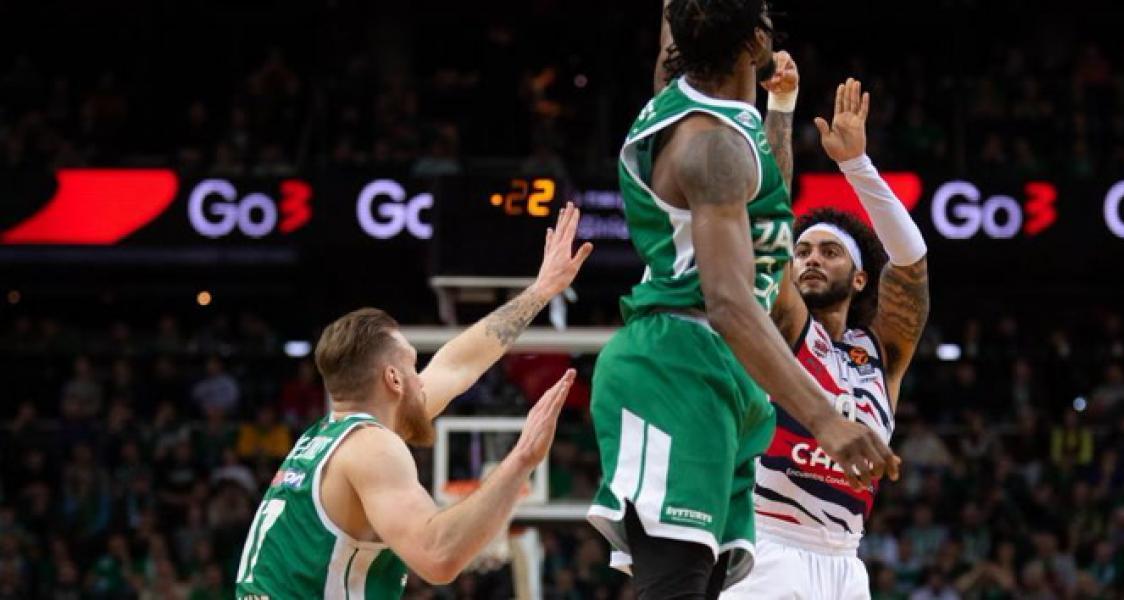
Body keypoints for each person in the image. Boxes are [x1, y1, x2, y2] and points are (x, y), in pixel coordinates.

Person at [586, 2, 899, 597]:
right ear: (757, 42)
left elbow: (768, 218)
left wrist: (780, 109)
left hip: (721, 379)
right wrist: (827, 421)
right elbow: (731, 305)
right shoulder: (713, 149)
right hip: (678, 363)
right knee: (673, 587)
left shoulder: (709, 110)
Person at [234, 205, 592, 598]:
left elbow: (458, 365)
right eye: (412, 365)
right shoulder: (372, 449)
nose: (423, 379)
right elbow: (438, 557)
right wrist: (522, 459)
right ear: (392, 379)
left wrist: (540, 291)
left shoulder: (328, 438)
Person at [723, 79, 930, 599]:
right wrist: (782, 107)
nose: (811, 258)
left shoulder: (879, 354)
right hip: (768, 544)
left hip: (845, 560)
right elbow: (767, 221)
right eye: (804, 251)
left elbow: (911, 262)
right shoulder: (786, 324)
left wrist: (857, 165)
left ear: (860, 279)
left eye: (829, 252)